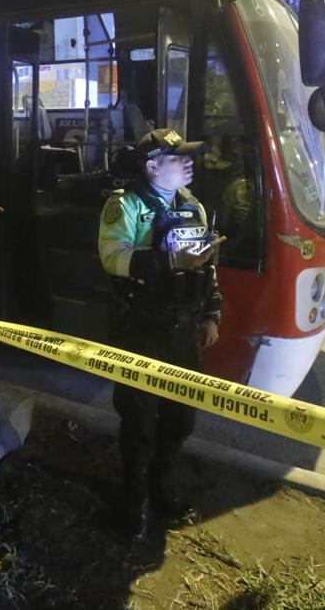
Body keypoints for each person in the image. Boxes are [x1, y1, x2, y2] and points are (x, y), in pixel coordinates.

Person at [97, 128, 223, 543]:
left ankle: (159, 489)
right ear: (152, 166)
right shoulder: (126, 205)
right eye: (178, 158)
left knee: (179, 421)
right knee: (138, 426)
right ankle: (131, 509)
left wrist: (211, 314)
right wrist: (169, 260)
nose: (189, 163)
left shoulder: (194, 207)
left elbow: (208, 267)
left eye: (189, 157)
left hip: (185, 332)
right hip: (142, 330)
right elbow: (114, 258)